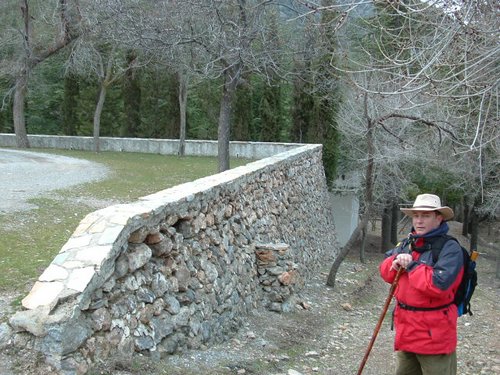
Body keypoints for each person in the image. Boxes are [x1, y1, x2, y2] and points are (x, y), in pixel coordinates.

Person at [379, 193, 464, 375]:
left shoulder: (451, 249)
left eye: (426, 216)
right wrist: (394, 263)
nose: (419, 221)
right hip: (407, 331)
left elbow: (438, 284)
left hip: (435, 336)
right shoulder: (408, 242)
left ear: (438, 218)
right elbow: (385, 273)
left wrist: (411, 265)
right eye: (416, 216)